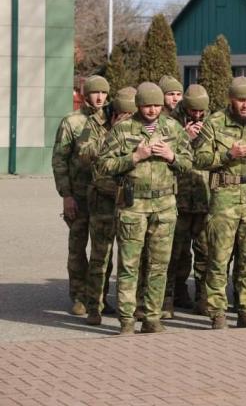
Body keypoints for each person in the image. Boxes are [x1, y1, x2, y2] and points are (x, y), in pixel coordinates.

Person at [96, 82, 192, 334]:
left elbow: (188, 163)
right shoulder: (123, 129)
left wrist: (172, 156)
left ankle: (152, 317)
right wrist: (134, 157)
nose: (152, 110)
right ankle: (127, 319)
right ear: (138, 105)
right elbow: (103, 165)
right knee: (129, 265)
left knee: (159, 266)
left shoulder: (173, 128)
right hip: (133, 206)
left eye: (157, 105)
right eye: (147, 105)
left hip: (164, 206)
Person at [193, 77, 246, 329]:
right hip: (224, 198)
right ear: (231, 99)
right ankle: (217, 312)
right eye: (241, 100)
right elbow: (199, 158)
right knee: (219, 258)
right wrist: (230, 154)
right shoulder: (215, 122)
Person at [52, 75, 109, 316]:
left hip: (104, 196)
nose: (99, 97)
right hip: (79, 194)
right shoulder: (72, 122)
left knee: (103, 250)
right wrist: (66, 195)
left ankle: (99, 297)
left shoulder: (112, 119)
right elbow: (60, 160)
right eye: (95, 92)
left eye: (103, 93)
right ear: (86, 95)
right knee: (77, 248)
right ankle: (78, 295)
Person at [80, 87, 137, 325]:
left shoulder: (140, 124)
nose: (128, 119)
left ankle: (129, 305)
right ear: (115, 112)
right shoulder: (94, 123)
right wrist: (113, 135)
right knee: (101, 256)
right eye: (125, 115)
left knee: (131, 257)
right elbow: (83, 152)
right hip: (103, 197)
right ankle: (95, 305)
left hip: (129, 198)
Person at [166, 84, 211, 315]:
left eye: (201, 111)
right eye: (194, 111)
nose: (197, 115)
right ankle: (171, 296)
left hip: (205, 197)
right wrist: (185, 136)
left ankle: (203, 298)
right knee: (176, 252)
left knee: (205, 251)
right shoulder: (169, 122)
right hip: (179, 197)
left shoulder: (213, 122)